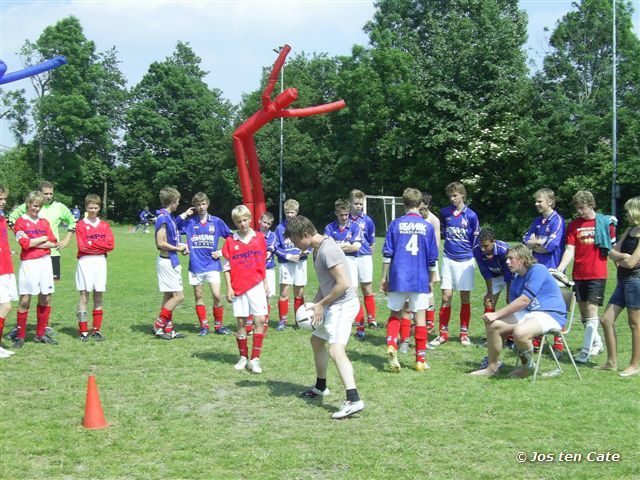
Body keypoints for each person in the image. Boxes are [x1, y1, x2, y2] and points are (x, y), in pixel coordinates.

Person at [285, 215, 364, 419]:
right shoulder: (317, 249)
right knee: (317, 340)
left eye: (295, 241)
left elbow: (343, 284)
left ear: (305, 234)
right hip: (332, 304)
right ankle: (321, 387)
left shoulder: (327, 250)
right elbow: (326, 282)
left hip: (343, 305)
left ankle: (353, 399)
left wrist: (321, 305)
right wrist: (315, 304)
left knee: (336, 350)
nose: (295, 245)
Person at [470, 244, 567, 378]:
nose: (507, 262)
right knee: (494, 326)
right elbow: (515, 305)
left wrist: (496, 314)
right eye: (507, 259)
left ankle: (527, 368)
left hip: (550, 314)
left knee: (520, 332)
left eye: (511, 258)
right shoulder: (517, 279)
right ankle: (492, 367)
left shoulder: (538, 269)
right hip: (530, 312)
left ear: (522, 259)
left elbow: (524, 301)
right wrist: (498, 321)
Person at [381, 188, 438, 372]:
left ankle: (392, 344)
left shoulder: (395, 224)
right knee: (419, 317)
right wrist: (431, 278)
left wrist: (383, 277)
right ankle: (420, 360)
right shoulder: (427, 226)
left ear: (403, 204)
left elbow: (387, 253)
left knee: (395, 314)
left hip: (398, 276)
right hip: (419, 277)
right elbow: (432, 257)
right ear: (420, 204)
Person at [556, 190, 616, 364]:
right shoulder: (574, 225)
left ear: (591, 204)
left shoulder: (605, 223)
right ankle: (597, 343)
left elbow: (612, 249)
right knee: (583, 313)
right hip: (579, 274)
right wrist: (560, 268)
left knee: (592, 311)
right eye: (577, 208)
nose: (579, 211)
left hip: (597, 273)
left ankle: (585, 351)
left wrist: (621, 267)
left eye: (582, 207)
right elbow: (570, 249)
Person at [176, 192, 232, 336]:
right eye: (198, 204)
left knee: (217, 295)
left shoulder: (217, 222)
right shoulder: (190, 222)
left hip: (212, 265)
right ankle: (204, 326)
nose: (201, 207)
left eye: (203, 204)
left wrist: (221, 252)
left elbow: (232, 238)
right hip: (196, 265)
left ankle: (218, 326)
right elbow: (173, 227)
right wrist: (184, 214)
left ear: (207, 204)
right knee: (199, 296)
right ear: (194, 206)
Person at [431, 181, 479, 347]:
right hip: (448, 258)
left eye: (455, 195)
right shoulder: (445, 213)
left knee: (465, 297)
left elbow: (475, 240)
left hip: (465, 260)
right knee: (446, 297)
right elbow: (442, 231)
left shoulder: (471, 215)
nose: (452, 198)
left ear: (462, 195)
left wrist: (471, 255)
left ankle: (464, 333)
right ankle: (442, 333)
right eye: (450, 196)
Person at [222, 205, 269, 374]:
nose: (242, 224)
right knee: (241, 323)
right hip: (238, 287)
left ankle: (255, 359)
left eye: (245, 220)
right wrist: (228, 288)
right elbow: (226, 267)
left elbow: (262, 262)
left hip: (256, 285)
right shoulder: (230, 241)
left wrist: (265, 282)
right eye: (238, 221)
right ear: (234, 222)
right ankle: (243, 357)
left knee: (260, 320)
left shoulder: (259, 238)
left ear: (250, 219)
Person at [599, 196, 640, 377]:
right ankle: (611, 362)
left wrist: (622, 257)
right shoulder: (630, 230)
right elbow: (611, 252)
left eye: (628, 211)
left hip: (635, 282)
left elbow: (632, 263)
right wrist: (623, 256)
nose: (626, 214)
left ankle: (634, 364)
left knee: (635, 324)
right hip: (623, 280)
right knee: (606, 320)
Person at [522, 188, 566, 358]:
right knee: (536, 303)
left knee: (555, 306)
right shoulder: (538, 221)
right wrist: (535, 243)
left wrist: (536, 244)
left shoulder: (558, 220)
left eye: (540, 201)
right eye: (536, 201)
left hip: (552, 269)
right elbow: (526, 241)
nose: (537, 204)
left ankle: (558, 344)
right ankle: (536, 339)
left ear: (550, 202)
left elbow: (550, 246)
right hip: (536, 269)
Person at [11, 191, 58, 348]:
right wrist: (43, 238)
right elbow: (24, 244)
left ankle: (40, 334)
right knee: (25, 299)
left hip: (45, 262)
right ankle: (21, 335)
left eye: (39, 206)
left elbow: (54, 242)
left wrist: (35, 242)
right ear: (28, 204)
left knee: (45, 297)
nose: (36, 209)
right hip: (29, 263)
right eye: (34, 205)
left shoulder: (44, 222)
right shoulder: (20, 222)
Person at [9, 180, 76, 283]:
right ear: (39, 193)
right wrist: (22, 237)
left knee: (51, 287)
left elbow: (73, 222)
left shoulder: (59, 207)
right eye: (46, 194)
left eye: (51, 194)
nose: (49, 196)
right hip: (31, 253)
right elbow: (11, 219)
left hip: (52, 252)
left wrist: (66, 240)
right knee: (31, 287)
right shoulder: (30, 206)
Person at [75, 194, 115, 341]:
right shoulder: (80, 224)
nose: (93, 210)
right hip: (85, 262)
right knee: (84, 295)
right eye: (90, 207)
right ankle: (84, 331)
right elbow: (82, 246)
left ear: (99, 208)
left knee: (98, 295)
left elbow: (110, 245)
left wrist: (92, 245)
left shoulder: (104, 225)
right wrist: (99, 245)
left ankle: (96, 330)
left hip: (100, 262)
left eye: (95, 207)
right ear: (86, 207)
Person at [152, 187, 188, 340]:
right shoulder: (163, 218)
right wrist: (178, 249)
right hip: (167, 261)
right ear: (172, 202)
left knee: (169, 296)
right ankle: (159, 324)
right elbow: (160, 242)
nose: (178, 204)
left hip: (170, 259)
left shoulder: (168, 216)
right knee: (179, 296)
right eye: (178, 201)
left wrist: (181, 247)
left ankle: (168, 329)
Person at [325, 199, 363, 339]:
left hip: (351, 261)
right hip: (334, 262)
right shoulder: (330, 227)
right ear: (336, 213)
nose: (344, 217)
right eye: (341, 214)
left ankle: (360, 325)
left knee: (353, 292)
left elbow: (356, 247)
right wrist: (346, 245)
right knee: (335, 291)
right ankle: (333, 323)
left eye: (346, 214)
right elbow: (326, 247)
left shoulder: (355, 226)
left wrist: (337, 246)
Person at [274, 199, 309, 331]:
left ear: (297, 212)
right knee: (284, 293)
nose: (289, 215)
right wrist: (288, 256)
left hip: (300, 263)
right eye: (287, 212)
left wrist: (304, 252)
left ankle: (299, 320)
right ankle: (282, 321)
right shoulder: (279, 228)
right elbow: (275, 248)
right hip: (286, 264)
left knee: (299, 294)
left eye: (292, 212)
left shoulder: (303, 226)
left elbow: (310, 243)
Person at [348, 189, 378, 329]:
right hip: (350, 258)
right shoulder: (345, 219)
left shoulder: (367, 220)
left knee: (367, 289)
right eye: (356, 203)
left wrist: (369, 252)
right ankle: (358, 319)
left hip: (364, 256)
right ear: (350, 203)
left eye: (361, 204)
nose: (358, 206)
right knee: (353, 290)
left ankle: (372, 320)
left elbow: (372, 241)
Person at [0, 185, 17, 358]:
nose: (3, 202)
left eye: (4, 199)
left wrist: (7, 250)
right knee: (6, 306)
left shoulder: (2, 217)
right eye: (0, 199)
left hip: (6, 267)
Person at [259, 211, 277, 333]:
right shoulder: (253, 234)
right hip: (254, 270)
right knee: (254, 295)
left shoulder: (272, 236)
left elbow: (268, 253)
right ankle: (252, 323)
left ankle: (265, 322)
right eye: (264, 222)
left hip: (268, 269)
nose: (266, 225)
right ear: (260, 220)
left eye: (269, 224)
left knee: (267, 296)